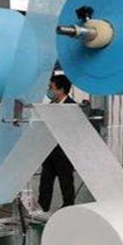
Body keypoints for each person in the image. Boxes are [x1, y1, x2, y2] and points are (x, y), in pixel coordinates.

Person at [38, 74, 77, 212]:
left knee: (66, 183)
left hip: (64, 153)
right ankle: (42, 208)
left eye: (51, 87)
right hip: (49, 151)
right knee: (45, 182)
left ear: (61, 90)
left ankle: (68, 209)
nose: (49, 90)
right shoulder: (51, 106)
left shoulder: (72, 106)